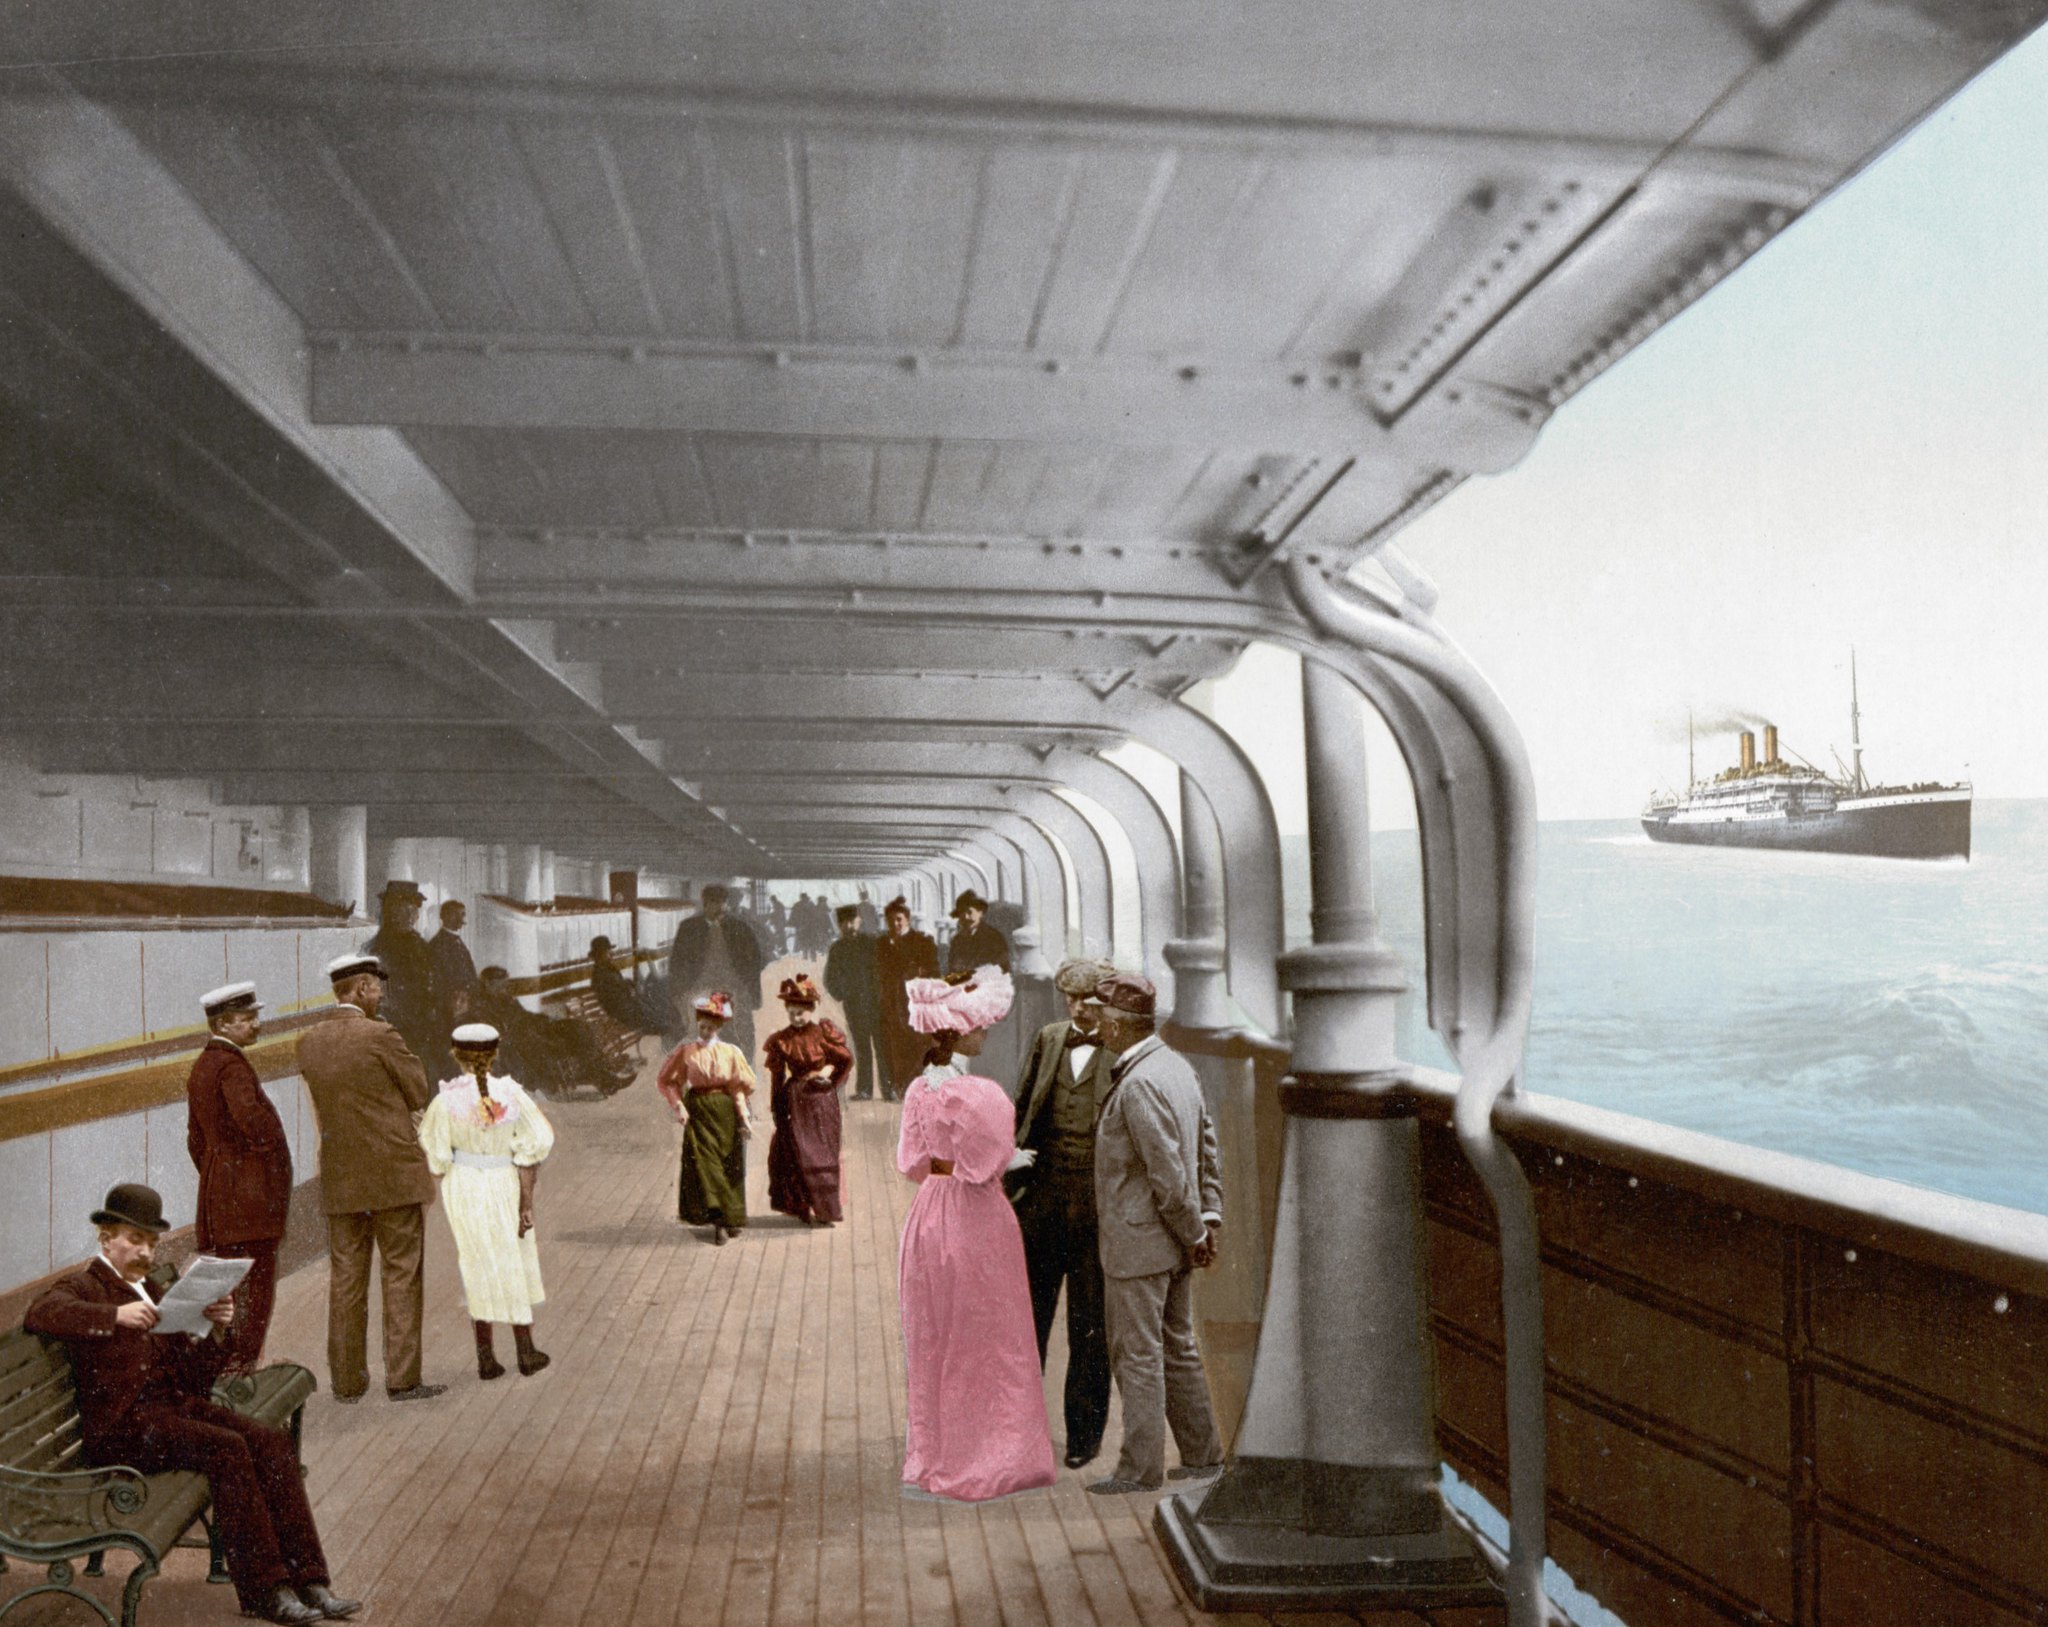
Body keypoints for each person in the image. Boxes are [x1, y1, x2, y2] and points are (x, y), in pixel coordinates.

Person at [25, 1184, 360, 1625]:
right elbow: (41, 1312)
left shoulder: (151, 1289)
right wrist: (114, 1317)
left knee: (270, 1440)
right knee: (228, 1449)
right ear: (106, 1239)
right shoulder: (86, 1285)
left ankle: (311, 1581)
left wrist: (211, 1328)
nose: (144, 1251)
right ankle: (266, 1591)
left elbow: (195, 1377)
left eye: (151, 1242)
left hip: (170, 1410)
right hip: (123, 1431)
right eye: (133, 1239)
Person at [895, 967, 1056, 1503]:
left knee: (936, 1333)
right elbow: (985, 1162)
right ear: (961, 1032)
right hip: (975, 1217)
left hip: (929, 1213)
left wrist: (957, 1165)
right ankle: (987, 1458)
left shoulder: (921, 1087)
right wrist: (1012, 1158)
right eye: (979, 1024)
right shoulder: (979, 1093)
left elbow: (914, 1161)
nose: (985, 1030)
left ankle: (933, 1458)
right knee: (988, 1335)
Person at [1086, 973, 1224, 1494]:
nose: (1096, 1024)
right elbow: (1206, 1147)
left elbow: (1167, 1174)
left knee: (1138, 1356)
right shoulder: (1174, 1067)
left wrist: (1193, 1229)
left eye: (1101, 1017)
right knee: (1178, 1347)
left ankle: (1139, 1469)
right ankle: (1204, 1456)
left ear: (1120, 1027)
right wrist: (1206, 1222)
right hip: (1173, 1243)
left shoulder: (1139, 1083)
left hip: (1140, 1244)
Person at [296, 952, 445, 1404]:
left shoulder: (309, 1042)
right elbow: (418, 1090)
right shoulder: (381, 1035)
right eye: (377, 986)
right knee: (400, 1273)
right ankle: (401, 1380)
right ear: (360, 989)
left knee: (346, 1279)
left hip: (341, 1179)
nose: (381, 994)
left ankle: (347, 1381)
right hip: (392, 1178)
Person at [1008, 958, 1118, 1469]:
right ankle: (1020, 1429)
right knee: (1028, 1318)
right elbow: (1023, 1107)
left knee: (1089, 1323)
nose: (1081, 1008)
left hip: (1097, 1205)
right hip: (1044, 1198)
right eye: (1073, 998)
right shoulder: (1050, 1038)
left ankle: (1083, 1436)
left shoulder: (1119, 1051)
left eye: (1091, 998)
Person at [418, 1023, 555, 1383]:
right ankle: (526, 1350)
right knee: (514, 1258)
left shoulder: (444, 1101)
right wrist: (526, 1202)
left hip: (463, 1186)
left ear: (456, 1055)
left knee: (476, 1262)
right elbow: (536, 1143)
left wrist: (454, 1162)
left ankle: (486, 1359)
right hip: (503, 1181)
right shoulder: (512, 1094)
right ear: (494, 1054)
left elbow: (437, 1158)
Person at [184, 981, 292, 1372]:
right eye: (248, 1019)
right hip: (250, 1200)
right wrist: (262, 1167)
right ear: (225, 1024)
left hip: (221, 1197)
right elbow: (251, 1120)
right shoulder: (232, 1067)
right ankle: (246, 1363)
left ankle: (232, 1361)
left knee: (231, 1283)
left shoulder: (202, 1066)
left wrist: (222, 1174)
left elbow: (195, 1140)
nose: (257, 1025)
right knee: (256, 1284)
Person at [656, 992, 757, 1244]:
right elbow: (666, 1080)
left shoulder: (731, 1052)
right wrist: (678, 1105)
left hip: (725, 1115)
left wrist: (743, 1117)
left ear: (719, 1027)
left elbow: (738, 1087)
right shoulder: (687, 1052)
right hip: (698, 1113)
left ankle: (732, 1216)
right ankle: (718, 1223)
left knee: (728, 1166)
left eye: (711, 1027)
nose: (705, 1031)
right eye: (702, 1026)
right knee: (707, 1166)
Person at [761, 974, 852, 1226]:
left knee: (822, 1153)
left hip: (822, 1102)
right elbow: (777, 1078)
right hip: (797, 1099)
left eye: (800, 1013)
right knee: (797, 1152)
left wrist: (829, 1077)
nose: (796, 1018)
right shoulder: (782, 1040)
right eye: (791, 1013)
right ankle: (802, 1205)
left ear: (811, 1010)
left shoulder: (822, 1034)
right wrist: (778, 1108)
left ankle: (826, 1210)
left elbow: (845, 1059)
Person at [476, 965, 631, 1097]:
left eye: (506, 985)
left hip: (536, 1028)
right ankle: (603, 1078)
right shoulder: (484, 1007)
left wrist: (545, 1019)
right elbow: (503, 1031)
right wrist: (530, 1027)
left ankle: (604, 1073)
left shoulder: (507, 1000)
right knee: (558, 1043)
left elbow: (524, 1015)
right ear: (488, 985)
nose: (506, 989)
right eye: (501, 986)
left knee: (577, 1027)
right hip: (524, 1039)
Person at [669, 883, 766, 1056]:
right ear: (705, 903)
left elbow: (757, 958)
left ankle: (744, 1067)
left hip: (734, 986)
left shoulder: (740, 928)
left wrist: (746, 982)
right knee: (702, 1031)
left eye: (723, 903)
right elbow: (677, 961)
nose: (720, 907)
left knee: (742, 1028)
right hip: (701, 986)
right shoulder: (689, 928)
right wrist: (680, 989)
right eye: (714, 903)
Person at [362, 879, 439, 1069]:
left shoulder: (420, 945)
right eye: (406, 908)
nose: (413, 915)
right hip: (398, 1037)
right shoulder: (376, 950)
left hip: (425, 1034)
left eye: (415, 909)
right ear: (391, 911)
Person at [873, 896, 940, 1100]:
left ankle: (914, 1086)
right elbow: (875, 972)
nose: (896, 924)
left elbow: (934, 971)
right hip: (890, 1003)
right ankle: (897, 1086)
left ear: (908, 919)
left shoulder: (922, 942)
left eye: (899, 919)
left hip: (914, 1003)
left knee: (917, 1044)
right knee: (893, 1045)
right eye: (891, 920)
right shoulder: (882, 944)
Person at [823, 903, 884, 1100]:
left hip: (877, 1002)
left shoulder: (872, 943)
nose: (849, 926)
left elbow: (886, 969)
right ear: (839, 925)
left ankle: (889, 1088)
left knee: (883, 1047)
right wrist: (844, 993)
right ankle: (865, 1090)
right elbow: (830, 978)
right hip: (854, 1004)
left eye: (852, 921)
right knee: (862, 1047)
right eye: (844, 923)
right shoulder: (837, 948)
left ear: (859, 921)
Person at [590, 934, 665, 1035]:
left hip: (626, 1005)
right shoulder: (600, 974)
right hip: (621, 1011)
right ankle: (665, 1029)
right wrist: (631, 989)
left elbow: (619, 984)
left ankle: (665, 1027)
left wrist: (630, 985)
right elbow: (615, 991)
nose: (611, 954)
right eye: (608, 952)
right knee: (651, 1014)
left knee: (652, 1008)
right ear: (600, 954)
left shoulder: (606, 968)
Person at [428, 899, 482, 1035]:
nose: (461, 920)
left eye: (462, 915)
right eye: (455, 914)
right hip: (451, 1007)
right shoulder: (438, 944)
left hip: (465, 1004)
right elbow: (441, 979)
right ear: (444, 916)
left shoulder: (455, 940)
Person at [946, 890, 1011, 975]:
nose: (966, 917)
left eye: (969, 912)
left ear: (980, 913)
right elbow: (953, 969)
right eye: (962, 913)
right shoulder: (957, 940)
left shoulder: (993, 937)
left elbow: (1002, 968)